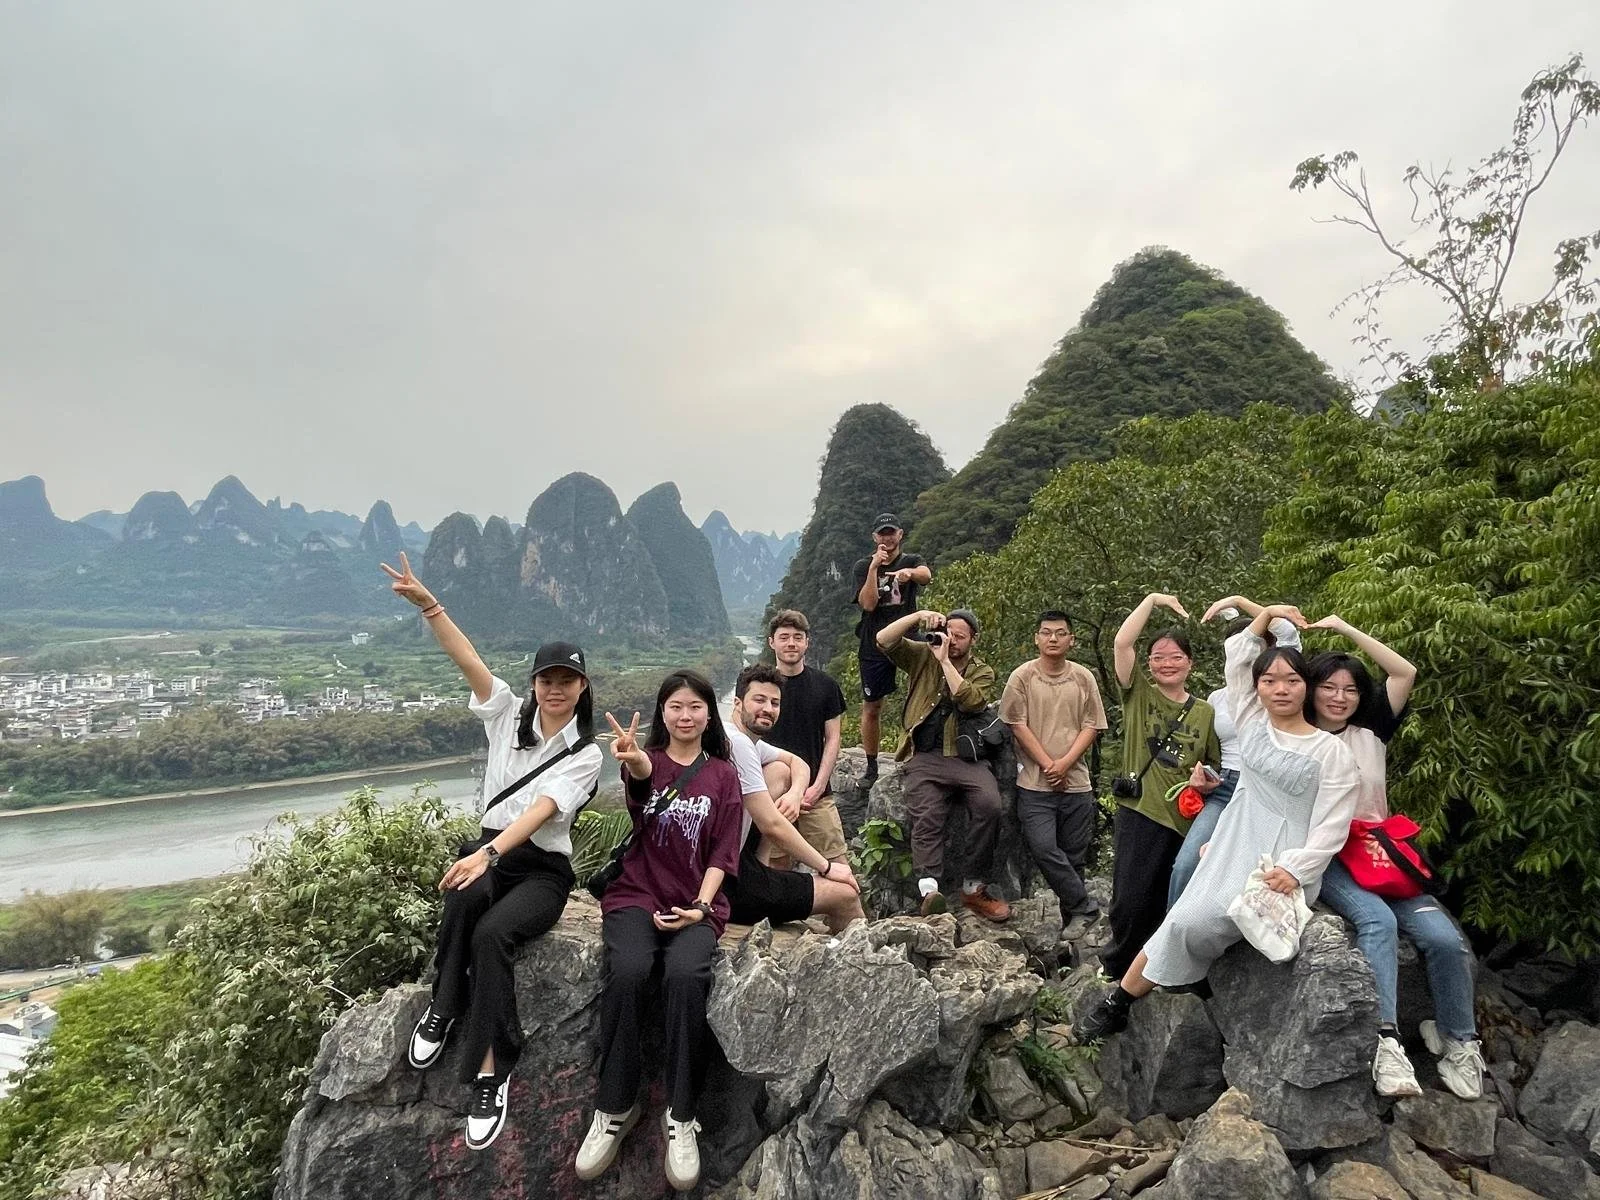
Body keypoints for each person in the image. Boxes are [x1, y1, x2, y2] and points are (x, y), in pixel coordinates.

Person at [382, 552, 603, 1152]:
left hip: (540, 869)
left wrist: (489, 854)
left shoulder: (586, 752)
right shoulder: (506, 714)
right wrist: (429, 606)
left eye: (568, 680)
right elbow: (467, 660)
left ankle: (492, 1071)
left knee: (492, 935)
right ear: (535, 683)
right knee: (462, 896)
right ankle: (444, 1004)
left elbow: (542, 813)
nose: (556, 689)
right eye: (547, 679)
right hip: (488, 848)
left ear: (582, 687)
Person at [1075, 605, 1361, 1043]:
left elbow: (1332, 824)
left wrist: (1296, 869)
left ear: (1307, 687)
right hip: (1235, 835)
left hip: (1283, 855)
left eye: (1292, 680)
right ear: (1257, 687)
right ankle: (1122, 1001)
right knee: (1188, 919)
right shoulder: (1253, 723)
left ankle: (1163, 988)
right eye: (1268, 681)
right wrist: (1264, 614)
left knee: (1219, 922)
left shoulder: (1331, 751)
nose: (1279, 689)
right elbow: (1239, 651)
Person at [575, 672, 744, 1192]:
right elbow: (643, 780)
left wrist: (700, 905)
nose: (686, 715)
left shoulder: (722, 775)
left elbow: (723, 851)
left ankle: (681, 1113)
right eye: (675, 707)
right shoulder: (646, 761)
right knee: (628, 970)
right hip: (636, 894)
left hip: (697, 903)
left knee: (685, 975)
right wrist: (636, 759)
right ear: (662, 713)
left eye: (695, 707)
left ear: (709, 715)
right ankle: (614, 1106)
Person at [1305, 615, 1483, 1100]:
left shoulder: (1372, 732)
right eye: (1328, 687)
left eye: (1349, 689)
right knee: (1377, 923)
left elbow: (1403, 673)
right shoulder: (1296, 736)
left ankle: (1458, 1039)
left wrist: (1344, 630)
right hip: (1334, 854)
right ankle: (1385, 1040)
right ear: (1311, 691)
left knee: (1445, 940)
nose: (1339, 697)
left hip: (1381, 851)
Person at [1099, 594, 1222, 983]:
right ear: (1148, 664)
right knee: (1129, 899)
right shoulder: (1139, 694)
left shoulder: (1205, 712)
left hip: (1183, 819)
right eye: (1157, 658)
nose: (1166, 664)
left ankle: (1159, 971)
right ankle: (1117, 969)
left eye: (1175, 657)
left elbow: (1214, 762)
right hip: (1140, 810)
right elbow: (1121, 643)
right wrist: (1152, 600)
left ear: (1191, 664)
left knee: (1166, 898)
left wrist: (1208, 781)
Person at [876, 607, 1011, 922]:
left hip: (966, 758)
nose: (951, 641)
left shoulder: (981, 670)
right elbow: (883, 640)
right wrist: (918, 616)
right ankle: (929, 892)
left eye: (960, 637)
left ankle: (974, 887)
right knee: (927, 812)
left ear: (972, 640)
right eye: (949, 633)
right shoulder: (923, 654)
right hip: (925, 755)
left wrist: (945, 662)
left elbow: (970, 700)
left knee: (989, 805)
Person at [1167, 601, 1305, 907]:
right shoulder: (1218, 698)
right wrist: (1200, 779)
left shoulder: (1283, 693)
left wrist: (1241, 602)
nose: (1251, 655)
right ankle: (1169, 942)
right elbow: (1206, 750)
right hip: (1226, 785)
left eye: (1259, 646)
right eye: (1244, 647)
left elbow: (1287, 631)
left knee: (1252, 869)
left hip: (1269, 789)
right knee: (1187, 865)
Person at [723, 664, 866, 932]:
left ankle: (760, 864)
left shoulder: (737, 738)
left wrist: (795, 793)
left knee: (779, 770)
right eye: (759, 700)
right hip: (729, 885)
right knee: (845, 894)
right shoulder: (738, 745)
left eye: (774, 702)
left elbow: (796, 762)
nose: (767, 708)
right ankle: (852, 962)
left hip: (731, 865)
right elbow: (773, 827)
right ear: (738, 702)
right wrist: (826, 868)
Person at [1000, 610, 1108, 939]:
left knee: (1074, 856)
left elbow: (1092, 725)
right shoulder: (1022, 677)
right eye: (1046, 633)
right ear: (1036, 638)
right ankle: (1086, 908)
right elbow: (1016, 725)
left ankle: (1072, 924)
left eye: (1060, 633)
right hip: (1034, 783)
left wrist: (1064, 764)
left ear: (1071, 640)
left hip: (1076, 783)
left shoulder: (1083, 677)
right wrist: (1049, 764)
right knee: (1044, 848)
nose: (1053, 639)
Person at [764, 609, 850, 866]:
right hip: (773, 795)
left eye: (798, 637)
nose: (791, 643)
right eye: (784, 637)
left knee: (837, 863)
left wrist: (817, 787)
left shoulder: (826, 686)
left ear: (806, 642)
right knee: (776, 867)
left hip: (816, 795)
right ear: (772, 642)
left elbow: (833, 739)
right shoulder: (758, 686)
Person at [852, 514, 931, 789]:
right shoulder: (864, 566)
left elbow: (926, 575)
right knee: (872, 706)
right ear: (875, 538)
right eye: (881, 534)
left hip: (908, 639)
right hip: (873, 642)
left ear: (900, 534)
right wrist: (874, 568)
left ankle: (921, 756)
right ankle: (872, 766)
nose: (887, 538)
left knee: (925, 695)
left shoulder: (911, 560)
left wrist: (909, 574)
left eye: (891, 533)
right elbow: (869, 604)